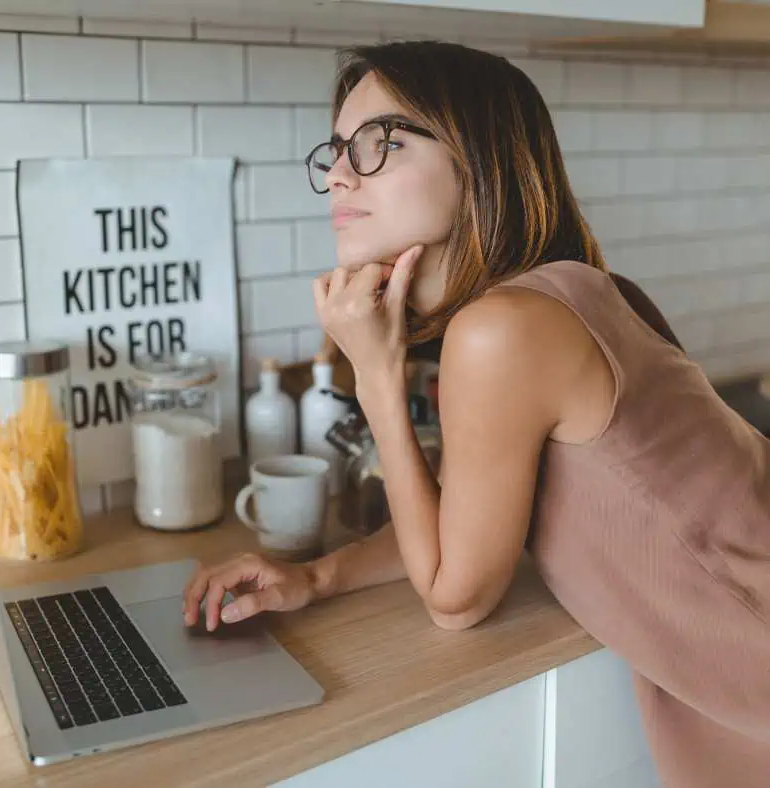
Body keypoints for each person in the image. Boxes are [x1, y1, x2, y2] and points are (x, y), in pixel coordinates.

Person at [182, 40, 770, 787]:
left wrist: (376, 375)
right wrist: (317, 578)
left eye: (378, 144)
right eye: (336, 150)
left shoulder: (501, 331)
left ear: (476, 160)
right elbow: (466, 516)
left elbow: (456, 597)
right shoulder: (567, 292)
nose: (336, 174)